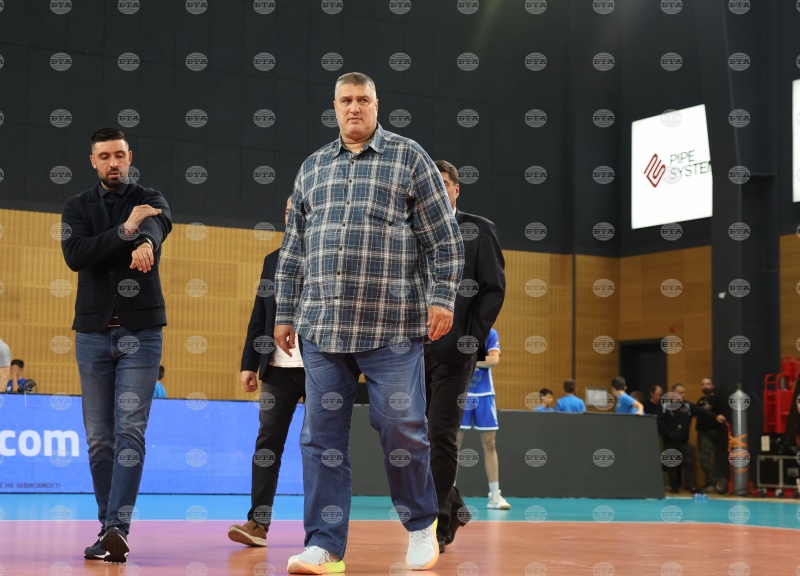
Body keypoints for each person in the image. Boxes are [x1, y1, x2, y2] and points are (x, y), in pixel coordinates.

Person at [273, 72, 464, 574]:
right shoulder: (313, 167)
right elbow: (293, 250)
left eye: (362, 100)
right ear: (334, 107)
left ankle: (421, 524)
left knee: (401, 428)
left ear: (377, 105)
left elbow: (445, 240)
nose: (353, 108)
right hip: (322, 328)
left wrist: (442, 298)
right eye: (345, 101)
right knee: (320, 439)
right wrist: (284, 312)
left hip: (392, 328)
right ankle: (324, 546)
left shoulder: (410, 158)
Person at [61, 127, 172, 563]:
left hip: (140, 334)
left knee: (130, 430)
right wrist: (127, 230)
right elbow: (76, 255)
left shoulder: (150, 197)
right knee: (98, 440)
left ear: (130, 157)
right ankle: (108, 526)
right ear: (93, 161)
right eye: (104, 156)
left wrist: (144, 239)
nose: (113, 163)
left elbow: (158, 225)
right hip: (92, 334)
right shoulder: (77, 206)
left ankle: (116, 529)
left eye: (119, 155)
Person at [425, 159, 505, 552]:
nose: (437, 190)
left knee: (440, 434)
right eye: (431, 184)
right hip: (409, 352)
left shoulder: (479, 229)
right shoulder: (412, 228)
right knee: (408, 436)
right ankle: (454, 506)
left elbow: (493, 290)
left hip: (455, 352)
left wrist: (470, 341)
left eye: (443, 183)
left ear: (456, 189)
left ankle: (438, 524)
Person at [228, 197, 306, 548]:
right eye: (287, 211)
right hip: (276, 368)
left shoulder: (328, 257)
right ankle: (258, 523)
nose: (291, 216)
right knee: (267, 445)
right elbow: (259, 314)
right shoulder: (272, 260)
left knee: (321, 446)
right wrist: (249, 362)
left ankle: (323, 529)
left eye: (297, 211)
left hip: (322, 368)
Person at [457, 328, 510, 513]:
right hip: (461, 393)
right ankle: (447, 493)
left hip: (484, 394)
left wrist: (468, 360)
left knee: (490, 443)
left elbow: (494, 360)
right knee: (453, 444)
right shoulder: (459, 331)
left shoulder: (490, 333)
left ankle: (495, 495)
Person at [658, 383, 726, 494]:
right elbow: (660, 422)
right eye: (681, 393)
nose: (683, 395)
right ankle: (674, 486)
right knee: (671, 465)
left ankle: (692, 486)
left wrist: (716, 416)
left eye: (684, 393)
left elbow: (702, 411)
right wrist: (668, 434)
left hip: (684, 441)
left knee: (689, 464)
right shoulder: (665, 407)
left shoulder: (688, 406)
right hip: (670, 441)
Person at [695, 377, 728, 493]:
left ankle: (712, 482)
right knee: (702, 458)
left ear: (712, 386)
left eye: (708, 384)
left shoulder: (715, 399)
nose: (705, 386)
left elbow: (703, 410)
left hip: (710, 433)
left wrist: (699, 410)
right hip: (701, 432)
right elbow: (697, 412)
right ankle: (709, 482)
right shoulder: (700, 400)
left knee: (705, 458)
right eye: (703, 384)